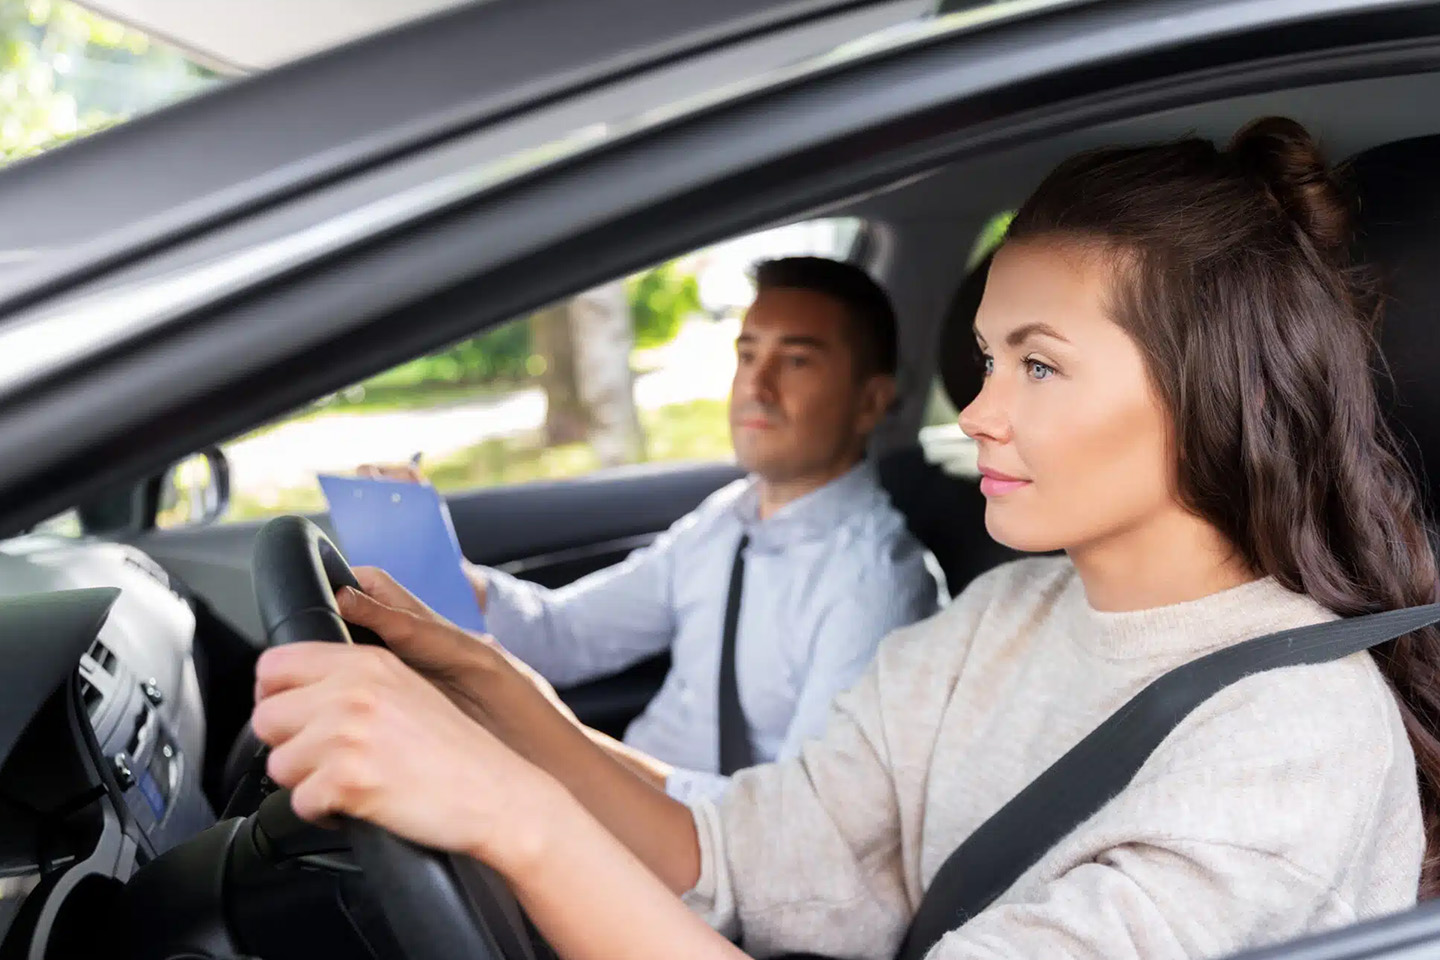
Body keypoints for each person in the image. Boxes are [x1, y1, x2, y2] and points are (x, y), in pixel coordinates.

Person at [251, 116, 1440, 960]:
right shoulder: (1006, 615)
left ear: (1214, 393)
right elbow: (749, 851)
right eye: (986, 359)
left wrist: (505, 812)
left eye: (1038, 365)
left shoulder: (1292, 741)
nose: (978, 413)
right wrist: (496, 691)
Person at [360, 256, 943, 801]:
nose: (756, 387)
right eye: (747, 356)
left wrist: (562, 755)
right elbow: (565, 635)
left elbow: (800, 821)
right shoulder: (726, 519)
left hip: (689, 854)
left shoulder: (876, 585)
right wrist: (438, 566)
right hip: (612, 808)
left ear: (871, 402)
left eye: (796, 361)